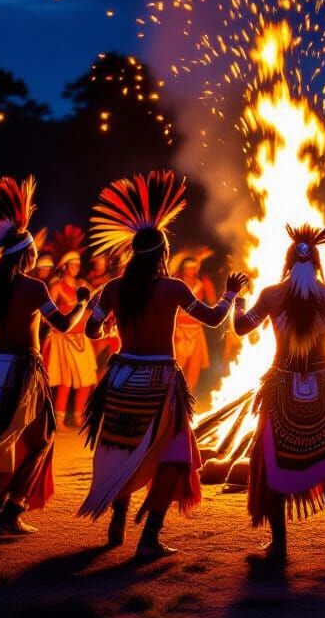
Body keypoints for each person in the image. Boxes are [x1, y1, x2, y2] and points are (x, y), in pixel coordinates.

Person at [79, 171, 245, 557]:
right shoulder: (172, 288)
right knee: (177, 458)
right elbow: (214, 318)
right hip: (158, 381)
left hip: (120, 378)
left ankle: (118, 514)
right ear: (163, 254)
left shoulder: (114, 288)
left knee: (122, 447)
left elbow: (90, 330)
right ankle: (149, 536)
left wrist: (111, 330)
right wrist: (231, 294)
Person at [234, 216, 325, 562]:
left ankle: (279, 542)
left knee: (272, 459)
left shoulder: (270, 295)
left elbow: (239, 328)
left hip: (281, 383)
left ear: (287, 262)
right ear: (318, 262)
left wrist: (235, 298)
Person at [0, 177, 87, 535]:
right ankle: (11, 509)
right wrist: (84, 304)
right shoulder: (33, 287)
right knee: (41, 438)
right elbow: (61, 323)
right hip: (26, 370)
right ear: (27, 255)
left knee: (4, 437)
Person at [43, 225, 98, 428]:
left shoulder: (83, 284)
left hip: (81, 338)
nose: (76, 267)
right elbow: (45, 312)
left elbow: (94, 306)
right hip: (63, 338)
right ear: (64, 266)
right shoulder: (56, 287)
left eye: (78, 263)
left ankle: (77, 416)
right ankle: (58, 418)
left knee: (86, 379)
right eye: (72, 264)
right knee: (65, 380)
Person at [171, 248, 216, 390]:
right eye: (188, 268)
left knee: (194, 369)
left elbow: (213, 301)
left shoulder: (201, 283)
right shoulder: (176, 282)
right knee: (177, 365)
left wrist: (209, 287)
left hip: (197, 330)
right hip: (179, 331)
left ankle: (187, 400)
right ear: (183, 269)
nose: (191, 271)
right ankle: (170, 397)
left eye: (193, 268)